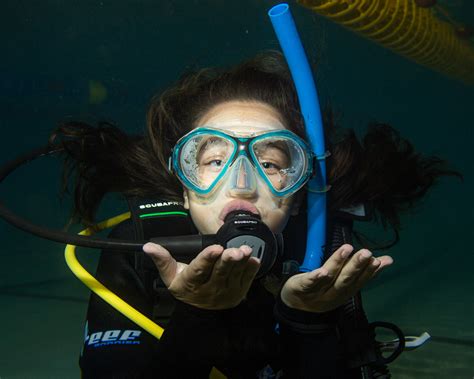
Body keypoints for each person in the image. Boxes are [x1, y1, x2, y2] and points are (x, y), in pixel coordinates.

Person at [52, 51, 459, 378]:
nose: (242, 183)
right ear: (185, 188)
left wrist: (307, 320)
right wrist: (198, 314)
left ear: (298, 193)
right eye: (213, 160)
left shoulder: (322, 250)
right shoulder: (139, 248)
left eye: (269, 164)